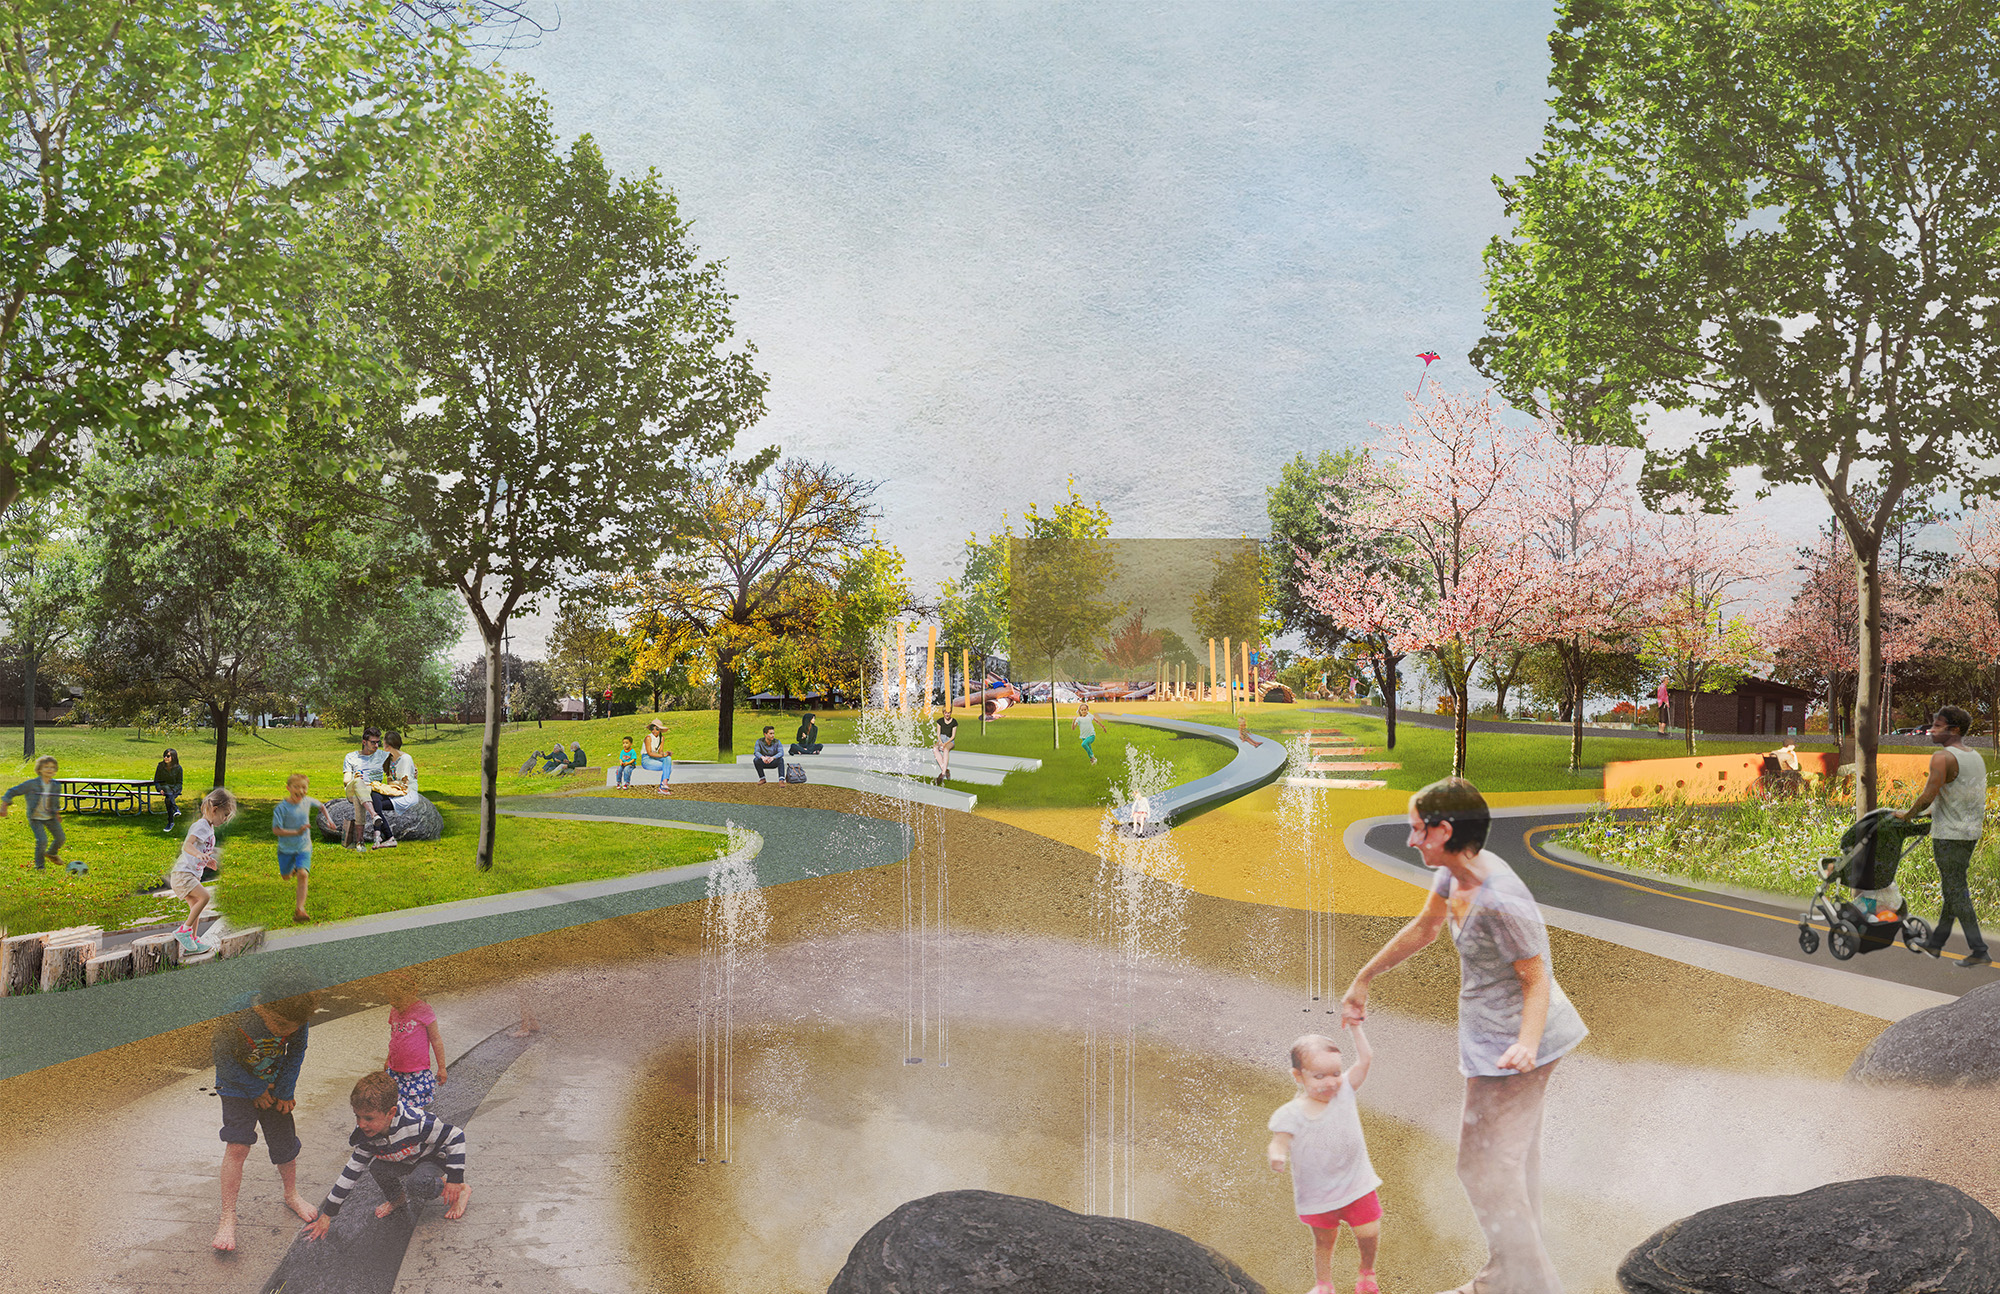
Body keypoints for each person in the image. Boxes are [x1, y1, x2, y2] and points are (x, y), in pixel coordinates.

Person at [1341, 777, 1587, 1294]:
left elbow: (1536, 979)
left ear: (1444, 829)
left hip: (1519, 1047)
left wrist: (1524, 1043)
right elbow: (1425, 927)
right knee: (1514, 1165)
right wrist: (1364, 977)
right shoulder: (1454, 877)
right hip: (1494, 1040)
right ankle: (1509, 1276)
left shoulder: (1501, 899)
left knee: (1481, 1166)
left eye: (1415, 830)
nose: (1410, 841)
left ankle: (1529, 1284)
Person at [1267, 1028, 1384, 1294]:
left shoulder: (1344, 1092)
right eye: (1319, 1076)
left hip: (1357, 1183)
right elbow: (1279, 1140)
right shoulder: (1291, 1113)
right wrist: (1277, 1155)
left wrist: (1356, 1028)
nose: (1330, 1082)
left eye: (1335, 1073)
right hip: (1318, 1192)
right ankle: (1324, 1284)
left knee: (1368, 1233)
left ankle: (1366, 1271)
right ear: (1298, 1076)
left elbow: (1365, 1059)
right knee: (1324, 1240)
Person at [211, 979, 322, 1251]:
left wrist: (285, 1090)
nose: (288, 1033)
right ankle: (228, 1216)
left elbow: (296, 1053)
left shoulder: (297, 1016)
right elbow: (222, 1059)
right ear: (265, 1010)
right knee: (238, 1145)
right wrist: (256, 1089)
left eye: (293, 1028)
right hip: (236, 1085)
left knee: (285, 1142)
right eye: (282, 1026)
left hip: (274, 1084)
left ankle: (291, 1194)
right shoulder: (234, 1014)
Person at [303, 1070, 469, 1238]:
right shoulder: (366, 1136)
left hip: (430, 1159)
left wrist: (456, 1179)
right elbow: (351, 1172)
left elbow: (455, 1136)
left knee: (417, 1183)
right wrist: (327, 1215)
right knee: (377, 1167)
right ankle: (398, 1198)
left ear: (390, 1112)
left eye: (368, 1118)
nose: (361, 1124)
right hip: (404, 1159)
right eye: (357, 1116)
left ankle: (460, 1190)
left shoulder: (417, 1124)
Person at [1899, 705, 1991, 969]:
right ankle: (1937, 943)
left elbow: (1930, 794)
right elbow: (1961, 795)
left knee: (1955, 890)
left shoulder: (1942, 757)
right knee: (1953, 886)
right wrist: (1931, 813)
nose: (1932, 729)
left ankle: (1979, 949)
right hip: (1970, 832)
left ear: (1955, 730)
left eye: (1938, 725)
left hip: (1949, 835)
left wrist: (1908, 815)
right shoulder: (1975, 756)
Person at [173, 787, 238, 954]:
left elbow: (199, 849)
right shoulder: (201, 825)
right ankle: (184, 931)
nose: (225, 819)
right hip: (183, 874)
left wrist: (206, 859)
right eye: (225, 815)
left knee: (196, 905)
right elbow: (187, 845)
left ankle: (192, 941)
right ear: (214, 810)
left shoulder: (208, 828)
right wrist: (199, 854)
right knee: (205, 897)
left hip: (188, 874)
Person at [384, 973, 448, 1111]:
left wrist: (442, 1067)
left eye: (398, 998)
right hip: (395, 1070)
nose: (394, 1003)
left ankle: (417, 1130)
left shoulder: (423, 1010)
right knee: (395, 1107)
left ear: (411, 993)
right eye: (391, 999)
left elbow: (436, 1039)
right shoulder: (394, 1011)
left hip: (415, 1071)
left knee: (416, 1110)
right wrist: (388, 1059)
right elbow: (395, 1038)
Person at [272, 774, 327, 924]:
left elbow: (322, 806)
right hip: (285, 849)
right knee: (286, 876)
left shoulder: (307, 802)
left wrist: (330, 820)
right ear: (288, 788)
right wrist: (296, 832)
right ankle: (292, 870)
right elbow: (276, 830)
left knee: (303, 874)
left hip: (304, 847)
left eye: (304, 787)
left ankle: (300, 909)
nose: (300, 790)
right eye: (296, 787)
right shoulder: (281, 808)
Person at [1, 755, 65, 871]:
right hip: (35, 817)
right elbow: (12, 791)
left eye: (52, 767)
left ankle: (51, 853)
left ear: (55, 770)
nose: (49, 769)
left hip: (50, 816)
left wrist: (57, 814)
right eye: (46, 767)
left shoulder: (56, 785)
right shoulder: (31, 784)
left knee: (60, 838)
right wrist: (4, 806)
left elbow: (55, 801)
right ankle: (40, 867)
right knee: (42, 841)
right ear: (39, 769)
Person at [367, 730, 420, 848]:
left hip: (406, 794)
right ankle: (381, 835)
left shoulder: (405, 759)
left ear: (388, 745)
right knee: (375, 797)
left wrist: (390, 785)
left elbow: (404, 785)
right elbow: (391, 782)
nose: (381, 744)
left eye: (383, 741)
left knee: (375, 803)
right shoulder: (390, 759)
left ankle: (387, 836)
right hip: (395, 791)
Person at [341, 728, 388, 851]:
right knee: (358, 783)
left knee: (359, 797)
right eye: (373, 742)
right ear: (364, 742)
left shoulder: (383, 755)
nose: (376, 745)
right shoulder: (351, 757)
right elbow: (346, 780)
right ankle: (374, 815)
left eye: (378, 742)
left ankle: (360, 842)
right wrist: (354, 779)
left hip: (370, 789)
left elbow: (401, 760)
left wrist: (413, 770)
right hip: (352, 787)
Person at [155, 747, 185, 834]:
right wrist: (159, 789)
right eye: (164, 756)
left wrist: (174, 790)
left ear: (173, 757)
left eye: (168, 756)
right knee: (166, 789)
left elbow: (179, 783)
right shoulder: (160, 766)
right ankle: (175, 809)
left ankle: (170, 822)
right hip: (165, 788)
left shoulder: (178, 768)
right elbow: (156, 780)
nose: (165, 758)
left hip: (175, 788)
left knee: (168, 799)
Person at [641, 720, 673, 794]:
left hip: (655, 757)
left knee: (668, 758)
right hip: (647, 759)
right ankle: (662, 788)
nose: (654, 731)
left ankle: (664, 783)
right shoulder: (648, 738)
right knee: (668, 767)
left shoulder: (662, 738)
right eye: (652, 728)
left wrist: (666, 753)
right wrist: (662, 755)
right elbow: (649, 753)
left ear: (660, 730)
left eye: (657, 729)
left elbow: (660, 751)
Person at [934, 711, 958, 786]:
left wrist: (945, 744)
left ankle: (942, 774)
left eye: (949, 713)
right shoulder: (940, 721)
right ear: (943, 713)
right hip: (941, 739)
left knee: (946, 750)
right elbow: (938, 734)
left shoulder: (954, 722)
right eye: (945, 713)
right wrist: (941, 742)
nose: (947, 714)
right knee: (935, 748)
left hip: (949, 740)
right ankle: (945, 770)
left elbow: (953, 736)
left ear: (951, 713)